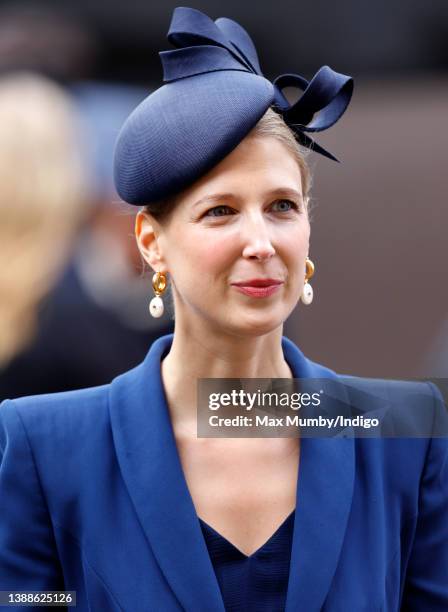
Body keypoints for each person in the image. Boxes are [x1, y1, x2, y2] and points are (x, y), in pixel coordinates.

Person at [1, 7, 447, 612]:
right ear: (151, 242)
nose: (261, 242)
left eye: (283, 207)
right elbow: (30, 601)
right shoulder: (45, 444)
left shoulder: (404, 432)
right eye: (221, 211)